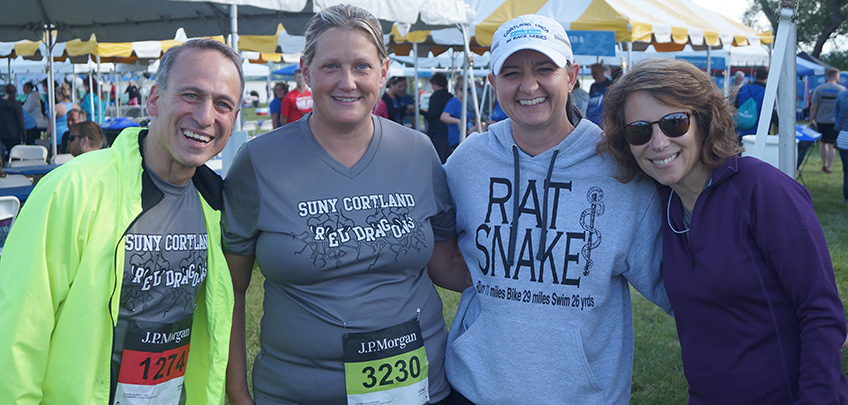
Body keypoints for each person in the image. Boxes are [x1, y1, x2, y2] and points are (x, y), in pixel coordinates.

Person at [222, 5, 470, 404]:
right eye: (331, 66)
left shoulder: (419, 153)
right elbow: (228, 289)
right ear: (306, 71)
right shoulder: (259, 162)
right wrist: (236, 392)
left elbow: (447, 264)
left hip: (416, 389)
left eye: (362, 66)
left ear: (384, 71)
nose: (348, 82)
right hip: (298, 392)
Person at [0, 38, 243, 404]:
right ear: (154, 100)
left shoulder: (217, 202)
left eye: (223, 104)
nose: (206, 116)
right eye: (191, 95)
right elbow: (16, 330)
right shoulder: (74, 189)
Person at [443, 15, 671, 404]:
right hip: (474, 389)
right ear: (492, 82)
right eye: (511, 72)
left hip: (581, 395)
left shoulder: (618, 169)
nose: (529, 86)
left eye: (545, 69)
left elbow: (676, 284)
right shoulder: (469, 161)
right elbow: (432, 241)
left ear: (571, 76)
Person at [601, 58, 848, 403]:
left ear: (703, 120)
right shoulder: (661, 204)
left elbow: (821, 311)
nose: (657, 143)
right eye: (640, 130)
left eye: (674, 123)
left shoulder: (762, 190)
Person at [811, 67, 846, 174]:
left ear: (827, 76)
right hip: (835, 122)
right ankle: (829, 168)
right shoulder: (842, 90)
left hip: (821, 120)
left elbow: (813, 106)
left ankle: (824, 165)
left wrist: (812, 119)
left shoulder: (819, 89)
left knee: (823, 143)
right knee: (831, 144)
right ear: (836, 76)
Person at [440, 76, 477, 155]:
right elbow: (443, 117)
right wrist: (458, 121)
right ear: (457, 89)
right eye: (462, 89)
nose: (465, 92)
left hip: (465, 138)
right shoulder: (454, 102)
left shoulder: (464, 103)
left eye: (468, 90)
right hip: (456, 140)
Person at [423, 72, 452, 163]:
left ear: (436, 84)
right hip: (448, 131)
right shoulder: (450, 96)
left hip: (436, 130)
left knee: (437, 159)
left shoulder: (435, 97)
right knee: (446, 158)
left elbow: (432, 114)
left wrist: (420, 111)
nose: (432, 87)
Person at [735, 65, 770, 136]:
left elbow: (735, 107)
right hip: (758, 133)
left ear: (755, 75)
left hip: (740, 130)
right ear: (767, 77)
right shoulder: (767, 93)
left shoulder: (743, 89)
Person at [0, 84, 25, 159]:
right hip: (14, 134)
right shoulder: (16, 105)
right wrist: (24, 136)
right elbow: (20, 121)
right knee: (14, 156)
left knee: (2, 155)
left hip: (1, 133)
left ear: (5, 91)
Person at [834, 87, 848, 212]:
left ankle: (847, 198)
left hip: (844, 135)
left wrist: (838, 126)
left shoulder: (842, 95)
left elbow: (836, 113)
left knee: (847, 170)